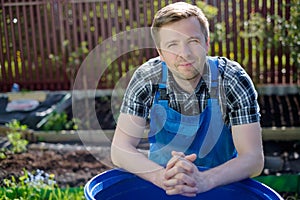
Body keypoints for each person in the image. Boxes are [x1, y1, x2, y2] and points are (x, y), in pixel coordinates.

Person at [111, 2, 264, 197]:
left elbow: (253, 159)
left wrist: (205, 180)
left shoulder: (232, 80)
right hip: (163, 188)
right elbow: (120, 149)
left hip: (221, 187)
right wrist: (161, 177)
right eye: (172, 45)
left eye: (193, 41)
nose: (184, 53)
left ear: (206, 42)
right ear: (160, 52)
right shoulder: (148, 78)